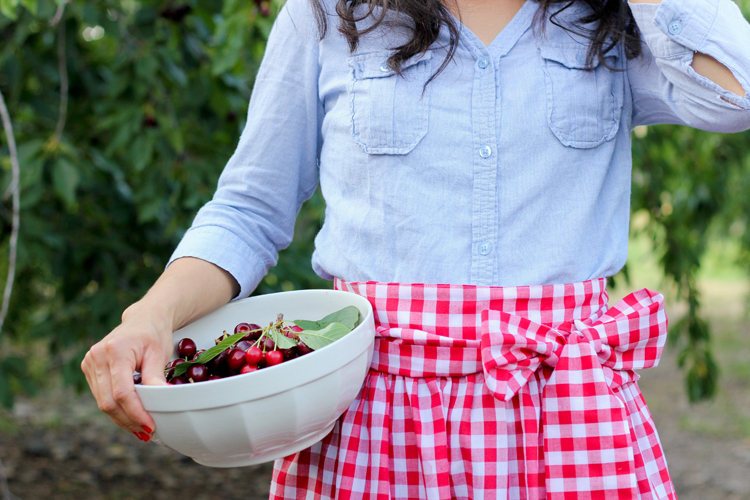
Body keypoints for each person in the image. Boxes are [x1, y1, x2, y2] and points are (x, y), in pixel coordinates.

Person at [82, 0, 750, 497]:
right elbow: (250, 210)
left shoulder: (614, 20)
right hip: (377, 418)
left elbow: (737, 96)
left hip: (566, 411)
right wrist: (152, 316)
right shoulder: (329, 14)